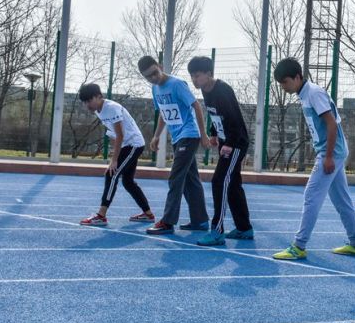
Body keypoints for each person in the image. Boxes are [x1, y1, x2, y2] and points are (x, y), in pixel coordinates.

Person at [270, 58, 355, 260]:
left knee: (311, 196)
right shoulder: (305, 94)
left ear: (297, 77)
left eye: (285, 82)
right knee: (341, 200)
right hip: (333, 152)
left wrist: (328, 156)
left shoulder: (313, 93)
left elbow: (331, 124)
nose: (283, 87)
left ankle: (299, 246)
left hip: (332, 153)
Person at [137, 56, 210, 235]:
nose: (153, 78)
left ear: (160, 66)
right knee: (191, 180)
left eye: (155, 73)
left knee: (175, 178)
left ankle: (168, 222)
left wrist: (203, 134)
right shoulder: (155, 89)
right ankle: (200, 220)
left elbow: (196, 106)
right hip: (177, 137)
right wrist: (156, 136)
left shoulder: (177, 84)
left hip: (189, 134)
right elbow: (163, 113)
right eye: (148, 77)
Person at [187, 56, 254, 246]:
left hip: (236, 143)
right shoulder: (206, 90)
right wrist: (214, 133)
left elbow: (234, 119)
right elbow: (216, 114)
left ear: (209, 74)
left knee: (219, 181)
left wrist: (229, 143)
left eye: (197, 75)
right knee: (233, 184)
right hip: (226, 141)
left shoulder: (223, 90)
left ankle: (217, 231)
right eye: (192, 76)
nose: (194, 80)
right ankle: (244, 228)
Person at [77, 83, 156, 226]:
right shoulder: (98, 111)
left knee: (111, 174)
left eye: (89, 100)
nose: (87, 105)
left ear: (99, 96)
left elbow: (120, 135)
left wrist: (114, 160)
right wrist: (115, 155)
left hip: (134, 144)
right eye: (85, 102)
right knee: (128, 182)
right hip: (127, 145)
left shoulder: (111, 108)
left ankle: (101, 216)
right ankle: (148, 214)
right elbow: (114, 135)